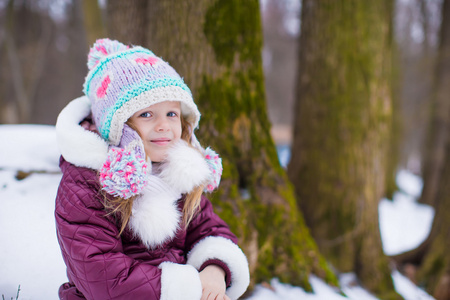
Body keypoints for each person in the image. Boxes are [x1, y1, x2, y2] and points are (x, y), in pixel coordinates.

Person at [54, 38, 250, 300]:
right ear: (117, 126)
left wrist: (213, 269)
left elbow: (208, 228)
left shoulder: (175, 173)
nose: (164, 126)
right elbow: (103, 277)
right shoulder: (85, 185)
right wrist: (190, 289)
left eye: (171, 114)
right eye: (146, 114)